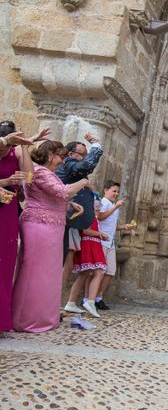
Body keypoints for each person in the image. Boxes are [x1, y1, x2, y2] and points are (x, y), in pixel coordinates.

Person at [12, 141, 88, 332]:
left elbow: (51, 197)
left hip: (50, 227)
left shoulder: (45, 173)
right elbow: (63, 192)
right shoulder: (40, 171)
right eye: (60, 157)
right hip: (40, 226)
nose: (62, 161)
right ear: (49, 155)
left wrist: (69, 205)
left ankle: (42, 316)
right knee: (35, 273)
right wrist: (84, 181)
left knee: (48, 274)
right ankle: (27, 318)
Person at [0, 120, 36, 332]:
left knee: (4, 263)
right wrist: (6, 181)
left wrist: (24, 145)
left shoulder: (16, 152)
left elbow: (29, 178)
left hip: (7, 211)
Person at [56, 133, 103, 287]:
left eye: (86, 155)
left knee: (63, 259)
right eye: (82, 154)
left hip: (69, 220)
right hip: (61, 218)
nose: (84, 158)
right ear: (70, 154)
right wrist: (95, 145)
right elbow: (86, 167)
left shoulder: (72, 165)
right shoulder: (69, 163)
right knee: (58, 260)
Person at [64, 200, 110, 318]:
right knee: (99, 272)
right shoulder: (88, 215)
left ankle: (71, 302)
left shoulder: (92, 215)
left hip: (91, 243)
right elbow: (85, 230)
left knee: (83, 274)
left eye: (99, 207)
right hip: (89, 244)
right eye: (96, 206)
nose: (98, 209)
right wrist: (100, 233)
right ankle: (90, 302)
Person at [94, 181, 135, 310]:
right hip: (101, 241)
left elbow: (112, 225)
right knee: (98, 272)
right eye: (114, 191)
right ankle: (89, 298)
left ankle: (98, 297)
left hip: (110, 242)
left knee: (110, 271)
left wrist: (124, 227)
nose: (116, 194)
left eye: (117, 192)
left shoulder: (112, 204)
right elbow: (100, 217)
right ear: (106, 190)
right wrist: (115, 207)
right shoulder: (103, 202)